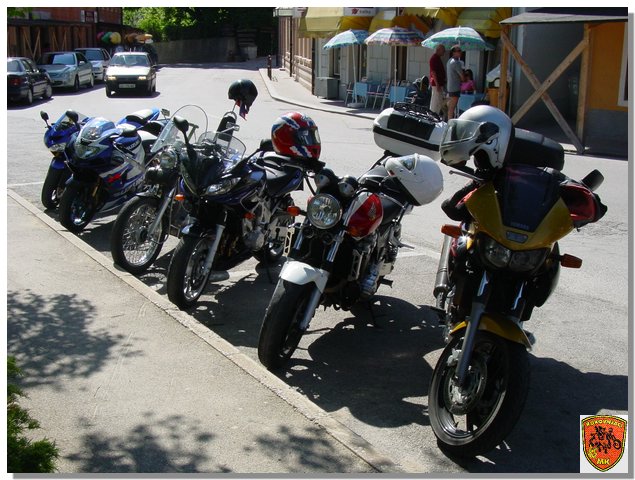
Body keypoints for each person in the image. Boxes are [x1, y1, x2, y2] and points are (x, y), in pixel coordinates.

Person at [446, 45, 466, 120]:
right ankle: (449, 122)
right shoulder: (456, 63)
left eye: (460, 51)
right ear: (454, 52)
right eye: (459, 51)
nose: (460, 52)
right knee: (452, 107)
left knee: (451, 107)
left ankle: (449, 120)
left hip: (450, 86)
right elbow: (462, 77)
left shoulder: (449, 61)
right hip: (455, 87)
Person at [429, 44, 446, 116]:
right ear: (438, 50)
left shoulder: (438, 58)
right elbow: (433, 72)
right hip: (436, 84)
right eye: (443, 50)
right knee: (435, 101)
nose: (444, 52)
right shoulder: (433, 59)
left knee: (439, 102)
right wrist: (437, 84)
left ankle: (436, 115)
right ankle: (432, 115)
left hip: (440, 83)